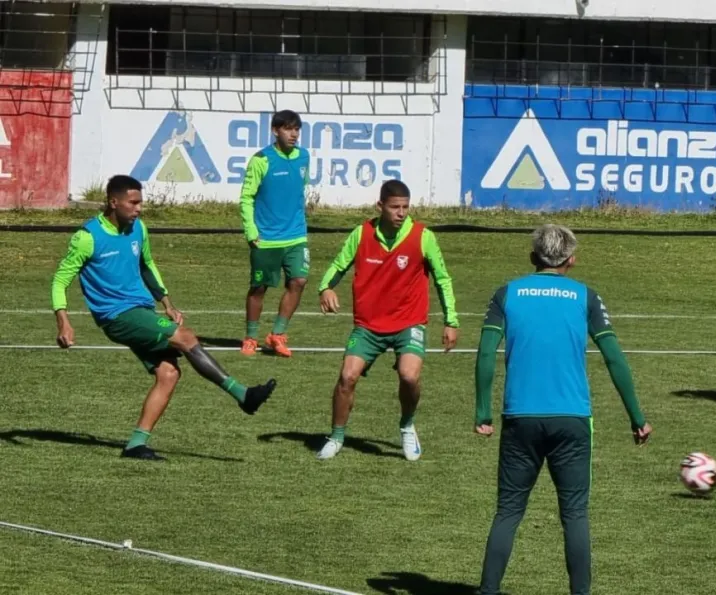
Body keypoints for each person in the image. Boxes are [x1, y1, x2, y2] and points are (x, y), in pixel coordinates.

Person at [473, 224, 652, 595]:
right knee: (574, 514)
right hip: (572, 419)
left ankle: (488, 591)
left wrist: (482, 411)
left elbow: (486, 353)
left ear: (532, 257)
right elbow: (614, 358)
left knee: (508, 511)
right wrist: (637, 417)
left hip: (520, 418)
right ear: (572, 260)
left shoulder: (507, 293)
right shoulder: (586, 297)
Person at [51, 175, 277, 461]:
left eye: (140, 202)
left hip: (141, 311)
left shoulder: (138, 229)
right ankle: (243, 395)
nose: (139, 208)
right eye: (133, 203)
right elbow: (59, 281)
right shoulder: (87, 237)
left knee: (168, 373)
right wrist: (64, 321)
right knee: (186, 337)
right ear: (113, 202)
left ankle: (136, 444)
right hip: (117, 316)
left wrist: (167, 303)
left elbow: (147, 266)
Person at [315, 179, 459, 461]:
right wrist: (325, 287)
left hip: (409, 323)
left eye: (405, 207)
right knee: (347, 377)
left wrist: (451, 321)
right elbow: (339, 265)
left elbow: (443, 279)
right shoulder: (361, 234)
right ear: (380, 206)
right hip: (368, 326)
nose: (401, 213)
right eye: (395, 207)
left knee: (409, 376)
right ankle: (336, 436)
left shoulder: (423, 237)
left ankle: (407, 425)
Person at [240, 109, 311, 358]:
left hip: (296, 235)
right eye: (288, 129)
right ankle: (251, 337)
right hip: (266, 238)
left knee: (299, 281)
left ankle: (277, 335)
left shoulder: (304, 156)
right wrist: (251, 231)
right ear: (275, 130)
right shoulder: (261, 160)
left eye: (297, 129)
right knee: (259, 288)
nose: (294, 134)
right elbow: (246, 197)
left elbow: (300, 189)